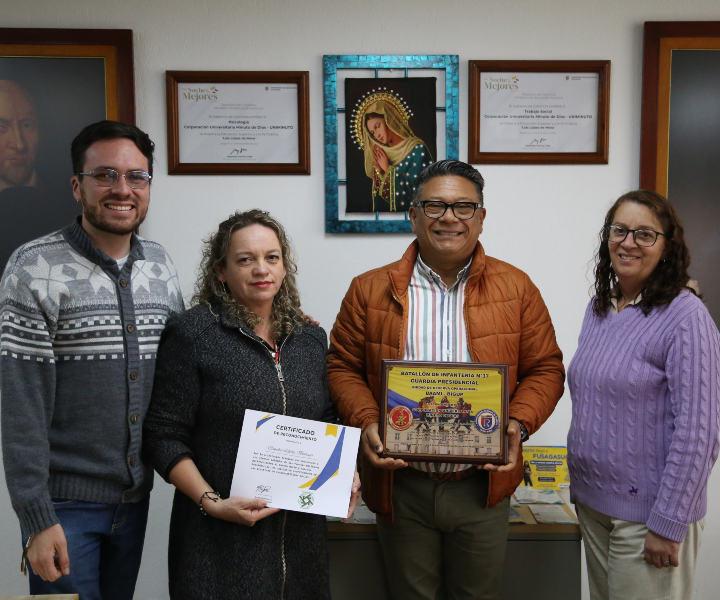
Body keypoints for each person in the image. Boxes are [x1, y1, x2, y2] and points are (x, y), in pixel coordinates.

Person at [328, 159, 565, 600]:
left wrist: (518, 425)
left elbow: (547, 368)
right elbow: (341, 366)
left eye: (463, 207)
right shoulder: (368, 289)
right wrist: (367, 421)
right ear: (413, 214)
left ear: (481, 217)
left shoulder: (518, 288)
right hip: (403, 486)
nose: (449, 217)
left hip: (481, 487)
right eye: (434, 206)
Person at [0, 120, 184, 600]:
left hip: (134, 502)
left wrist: (278, 323)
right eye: (105, 175)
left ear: (148, 186)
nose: (122, 189)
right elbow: (23, 405)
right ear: (77, 186)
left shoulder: (160, 265)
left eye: (136, 177)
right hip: (64, 509)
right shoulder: (33, 268)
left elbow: (189, 362)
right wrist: (36, 519)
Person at [143, 209, 360, 600]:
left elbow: (324, 419)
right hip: (218, 541)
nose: (262, 269)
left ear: (284, 265)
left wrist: (346, 473)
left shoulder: (310, 337)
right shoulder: (193, 333)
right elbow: (163, 435)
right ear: (221, 271)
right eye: (246, 259)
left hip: (300, 544)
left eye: (272, 257)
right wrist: (213, 503)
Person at [567, 190, 720, 600]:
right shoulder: (600, 308)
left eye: (645, 234)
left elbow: (699, 432)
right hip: (595, 505)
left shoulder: (686, 317)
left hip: (650, 517)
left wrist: (668, 523)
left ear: (667, 246)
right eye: (619, 230)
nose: (628, 242)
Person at [351, 91, 433, 211]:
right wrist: (381, 175)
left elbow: (423, 190)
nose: (377, 135)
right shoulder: (382, 155)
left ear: (389, 119)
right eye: (372, 133)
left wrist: (387, 170)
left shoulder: (417, 149)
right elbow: (381, 202)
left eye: (377, 126)